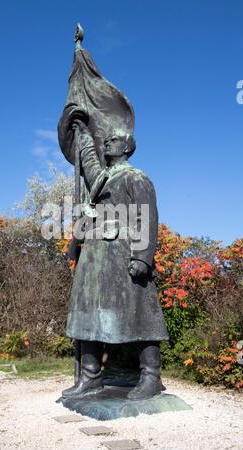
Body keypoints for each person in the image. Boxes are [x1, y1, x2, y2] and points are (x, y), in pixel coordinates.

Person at [62, 119, 169, 400]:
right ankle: (91, 377)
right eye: (105, 140)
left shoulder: (136, 177)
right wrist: (83, 134)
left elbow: (147, 217)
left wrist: (143, 258)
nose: (106, 142)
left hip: (122, 254)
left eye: (112, 140)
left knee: (140, 314)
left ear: (127, 146)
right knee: (88, 314)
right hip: (95, 257)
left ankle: (151, 377)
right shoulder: (102, 180)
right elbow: (88, 164)